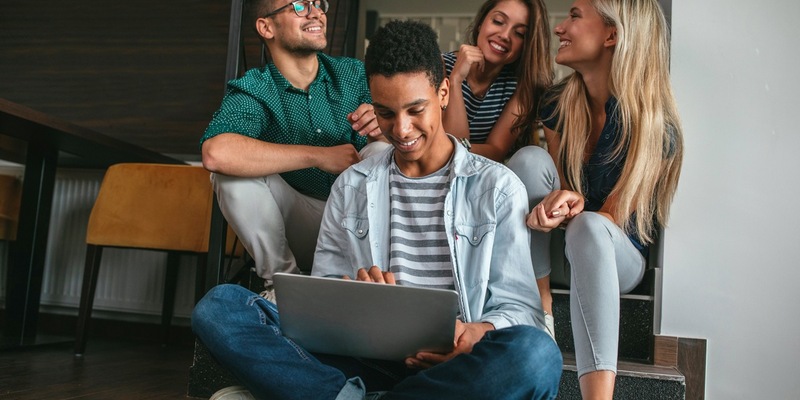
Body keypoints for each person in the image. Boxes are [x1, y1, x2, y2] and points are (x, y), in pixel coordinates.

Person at [193, 20, 563, 400]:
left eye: (415, 110)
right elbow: (324, 296)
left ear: (443, 92)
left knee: (536, 355)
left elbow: (523, 311)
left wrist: (474, 334)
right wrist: (353, 294)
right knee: (219, 307)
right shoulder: (352, 185)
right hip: (361, 361)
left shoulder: (498, 187)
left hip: (455, 365)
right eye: (386, 113)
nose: (401, 130)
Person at [506, 0, 684, 397]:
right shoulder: (558, 103)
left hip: (620, 258)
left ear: (612, 34)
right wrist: (555, 205)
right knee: (530, 161)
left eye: (574, 16)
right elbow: (561, 189)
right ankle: (542, 315)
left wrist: (574, 210)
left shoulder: (654, 125)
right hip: (563, 251)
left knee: (591, 225)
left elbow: (610, 218)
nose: (560, 28)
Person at [200, 0, 386, 291]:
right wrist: (318, 156)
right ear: (266, 26)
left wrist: (384, 126)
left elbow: (414, 139)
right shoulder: (255, 88)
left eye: (318, 4)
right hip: (301, 224)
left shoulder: (355, 75)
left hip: (367, 233)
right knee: (229, 175)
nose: (316, 12)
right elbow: (216, 153)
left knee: (380, 151)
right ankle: (285, 287)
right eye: (299, 5)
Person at [442, 0, 552, 162]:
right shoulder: (439, 66)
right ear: (480, 24)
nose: (505, 35)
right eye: (498, 22)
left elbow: (495, 151)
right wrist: (456, 80)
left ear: (526, 45)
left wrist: (452, 147)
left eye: (520, 33)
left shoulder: (521, 89)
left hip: (485, 176)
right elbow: (446, 155)